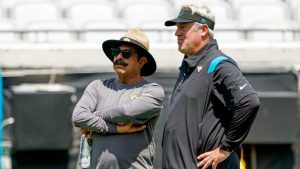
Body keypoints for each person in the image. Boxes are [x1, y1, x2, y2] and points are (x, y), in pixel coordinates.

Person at [161, 2, 260, 169]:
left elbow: (249, 102)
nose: (177, 33)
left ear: (204, 30)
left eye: (183, 27)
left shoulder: (218, 64)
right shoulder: (190, 66)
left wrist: (225, 149)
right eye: (177, 27)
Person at [72, 28, 165, 169]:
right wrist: (117, 129)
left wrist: (93, 118)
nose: (119, 57)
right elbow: (78, 117)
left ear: (142, 61)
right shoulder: (97, 86)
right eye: (116, 52)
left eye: (126, 53)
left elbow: (127, 112)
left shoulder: (152, 90)